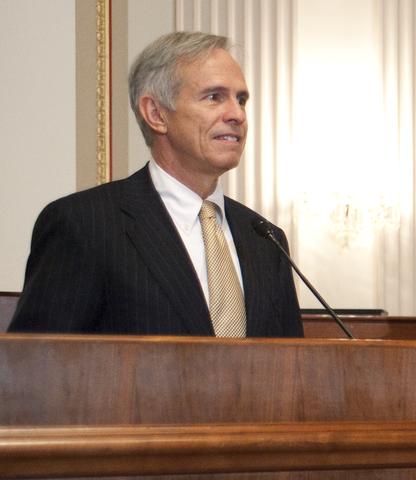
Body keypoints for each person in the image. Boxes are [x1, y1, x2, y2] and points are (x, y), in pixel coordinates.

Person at [8, 31, 302, 337]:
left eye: (241, 99)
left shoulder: (266, 240)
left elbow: (295, 373)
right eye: (214, 97)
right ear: (156, 113)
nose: (237, 114)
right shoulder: (83, 225)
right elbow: (38, 368)